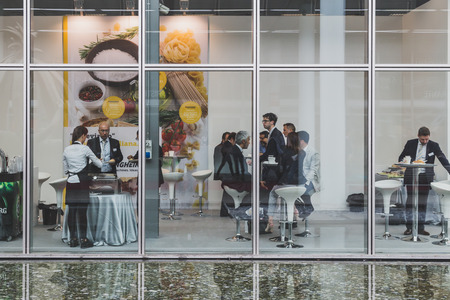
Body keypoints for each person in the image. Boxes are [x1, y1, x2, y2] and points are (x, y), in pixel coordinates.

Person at [398, 126, 450, 236]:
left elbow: (442, 158)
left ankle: (421, 228)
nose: (425, 141)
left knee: (423, 202)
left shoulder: (433, 145)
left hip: (425, 177)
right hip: (411, 176)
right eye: (422, 139)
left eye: (426, 139)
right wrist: (405, 161)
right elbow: (401, 157)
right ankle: (409, 228)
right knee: (410, 202)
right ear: (418, 136)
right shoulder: (410, 143)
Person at [63, 126, 102, 248]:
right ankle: (84, 240)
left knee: (71, 212)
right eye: (86, 136)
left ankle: (73, 239)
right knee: (82, 212)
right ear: (83, 136)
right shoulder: (85, 149)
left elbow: (65, 170)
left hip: (71, 181)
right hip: (82, 183)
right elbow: (99, 164)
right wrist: (96, 160)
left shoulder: (66, 149)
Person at [264, 132, 306, 233]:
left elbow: (280, 169)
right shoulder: (303, 153)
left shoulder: (284, 151)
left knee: (273, 194)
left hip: (286, 184)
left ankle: (270, 218)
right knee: (291, 196)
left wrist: (278, 180)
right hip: (299, 185)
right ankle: (295, 208)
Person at [297, 130, 320, 218]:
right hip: (300, 178)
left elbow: (313, 170)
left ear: (301, 141)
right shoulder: (298, 151)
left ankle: (307, 208)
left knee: (300, 190)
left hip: (309, 180)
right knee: (289, 189)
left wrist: (305, 182)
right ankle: (304, 208)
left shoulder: (313, 153)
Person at [221, 131, 252, 195]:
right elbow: (241, 173)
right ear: (243, 141)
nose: (249, 143)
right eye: (248, 140)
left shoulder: (234, 149)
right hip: (235, 183)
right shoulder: (236, 152)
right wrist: (256, 180)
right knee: (260, 187)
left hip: (230, 181)